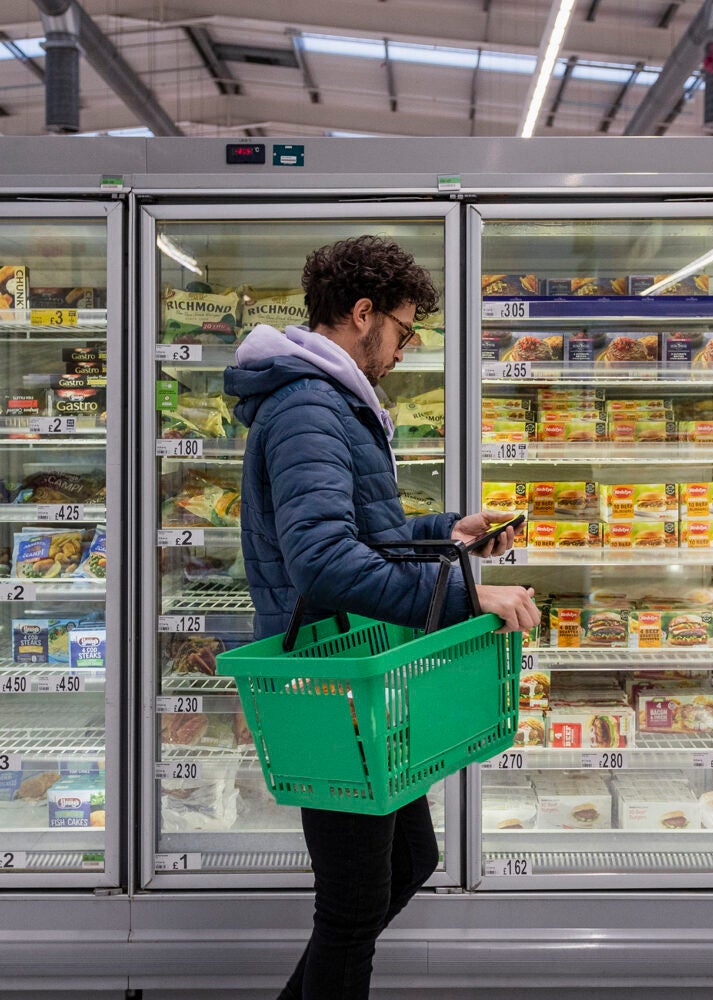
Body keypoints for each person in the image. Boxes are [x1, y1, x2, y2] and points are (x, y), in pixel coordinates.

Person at [224, 234, 539, 1000]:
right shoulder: (308, 406)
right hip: (328, 681)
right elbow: (324, 561)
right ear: (362, 313)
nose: (404, 348)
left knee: (408, 864)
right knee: (352, 908)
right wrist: (469, 597)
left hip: (357, 671)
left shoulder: (331, 400)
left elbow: (360, 533)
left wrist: (446, 533)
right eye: (403, 329)